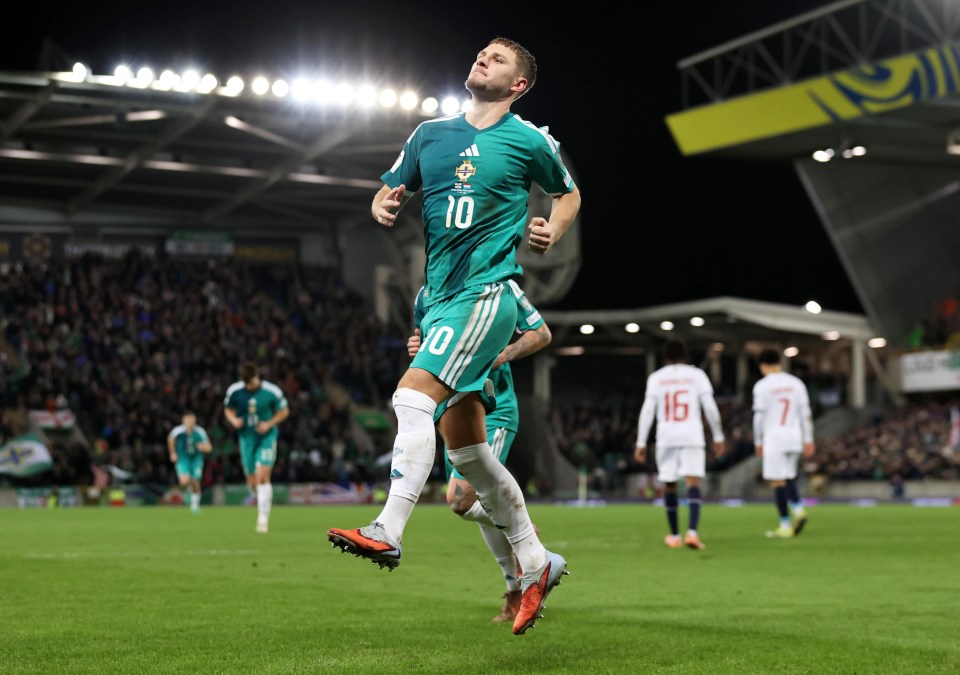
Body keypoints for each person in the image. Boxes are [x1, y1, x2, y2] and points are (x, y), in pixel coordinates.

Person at [327, 36, 581, 636]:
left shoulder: (529, 140)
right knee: (469, 457)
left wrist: (553, 229)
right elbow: (390, 186)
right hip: (438, 296)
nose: (482, 59)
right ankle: (537, 562)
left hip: (485, 291)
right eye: (482, 53)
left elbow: (568, 193)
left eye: (499, 59)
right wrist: (382, 205)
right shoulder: (429, 135)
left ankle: (388, 529)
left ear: (518, 85)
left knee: (410, 397)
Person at [407, 279, 551, 624]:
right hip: (450, 408)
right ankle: (515, 590)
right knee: (483, 502)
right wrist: (417, 346)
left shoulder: (502, 286)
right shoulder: (426, 294)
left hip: (494, 409)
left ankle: (526, 534)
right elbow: (427, 341)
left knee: (460, 499)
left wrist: (505, 353)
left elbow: (541, 334)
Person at [634, 338, 725, 550]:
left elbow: (648, 410)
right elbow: (710, 407)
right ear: (686, 354)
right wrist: (718, 436)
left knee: (670, 484)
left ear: (665, 356)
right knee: (693, 483)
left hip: (666, 436)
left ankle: (675, 536)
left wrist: (641, 442)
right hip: (692, 435)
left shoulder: (657, 378)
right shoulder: (697, 375)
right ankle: (692, 533)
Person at [752, 348, 815, 538]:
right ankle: (798, 510)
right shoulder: (796, 383)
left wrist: (758, 440)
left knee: (777, 482)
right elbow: (806, 414)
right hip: (794, 437)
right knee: (787, 477)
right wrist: (808, 439)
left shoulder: (762, 386)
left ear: (763, 365)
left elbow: (758, 417)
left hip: (774, 438)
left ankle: (786, 524)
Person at [223, 361, 289, 533]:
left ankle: (262, 518)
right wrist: (233, 420)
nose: (249, 387)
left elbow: (284, 411)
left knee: (263, 475)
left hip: (266, 438)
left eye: (251, 383)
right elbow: (228, 409)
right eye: (246, 384)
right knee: (252, 482)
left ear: (257, 376)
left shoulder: (272, 391)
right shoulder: (235, 390)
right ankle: (258, 497)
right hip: (246, 439)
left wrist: (269, 424)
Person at [167, 411, 213, 513]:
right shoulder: (178, 431)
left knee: (195, 481)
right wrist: (173, 453)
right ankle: (189, 490)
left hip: (196, 459)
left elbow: (209, 447)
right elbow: (170, 439)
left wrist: (203, 447)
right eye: (188, 420)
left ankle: (195, 505)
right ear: (183, 421)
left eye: (192, 420)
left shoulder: (200, 431)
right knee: (184, 480)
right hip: (183, 458)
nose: (190, 422)